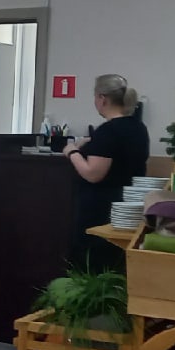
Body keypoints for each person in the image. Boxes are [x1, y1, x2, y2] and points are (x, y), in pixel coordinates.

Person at [63, 74, 149, 270]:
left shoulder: (108, 131)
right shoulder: (138, 127)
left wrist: (72, 152)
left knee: (94, 262)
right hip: (129, 207)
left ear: (102, 99)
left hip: (102, 209)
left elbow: (93, 174)